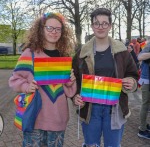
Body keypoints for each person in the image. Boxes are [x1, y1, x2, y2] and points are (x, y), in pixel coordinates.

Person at [72, 8, 138, 147]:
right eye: (96, 23)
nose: (100, 27)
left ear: (110, 26)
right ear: (91, 26)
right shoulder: (80, 54)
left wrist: (131, 82)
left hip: (114, 108)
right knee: (91, 144)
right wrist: (75, 96)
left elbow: (133, 74)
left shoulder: (122, 52)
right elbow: (75, 81)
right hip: (90, 109)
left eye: (104, 23)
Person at [9, 12, 76, 146]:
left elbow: (69, 92)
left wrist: (71, 81)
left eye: (58, 29)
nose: (54, 32)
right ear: (41, 29)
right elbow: (14, 80)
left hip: (58, 119)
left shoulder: (64, 56)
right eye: (49, 28)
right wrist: (26, 86)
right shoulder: (30, 54)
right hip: (35, 119)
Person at [137, 43, 150, 139]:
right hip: (147, 80)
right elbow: (139, 57)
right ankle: (142, 129)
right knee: (145, 104)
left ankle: (144, 124)